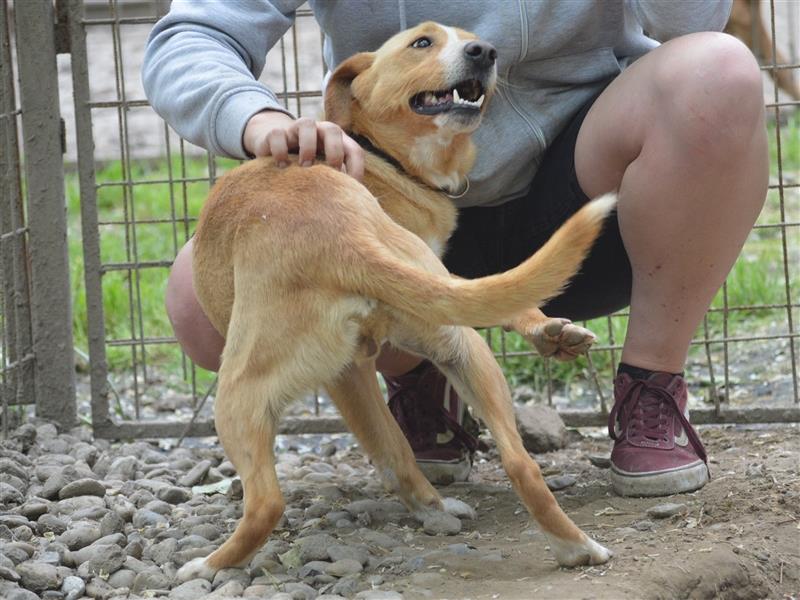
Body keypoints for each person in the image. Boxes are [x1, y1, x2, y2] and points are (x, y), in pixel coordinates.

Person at [143, 1, 767, 497]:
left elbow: (692, 23)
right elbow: (192, 36)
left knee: (719, 71)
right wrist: (258, 120)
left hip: (584, 185)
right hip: (387, 200)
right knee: (198, 308)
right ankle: (418, 381)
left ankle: (650, 388)